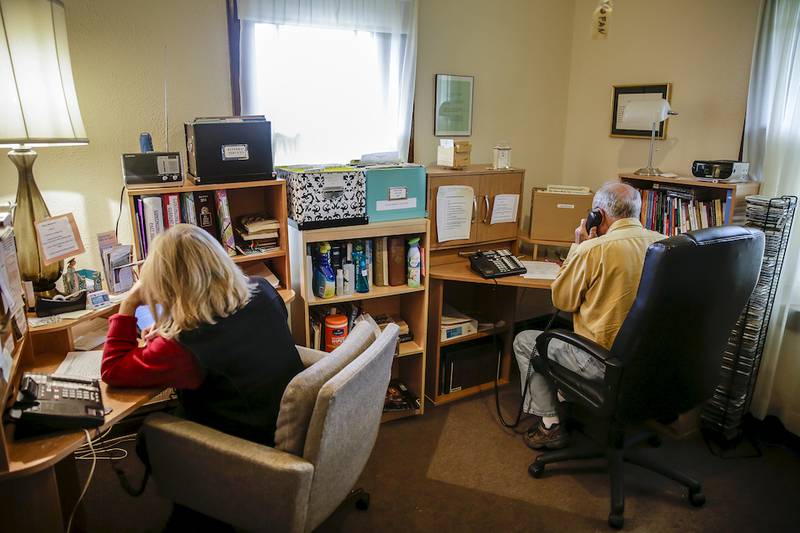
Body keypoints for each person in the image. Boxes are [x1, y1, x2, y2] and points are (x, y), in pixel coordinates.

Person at [102, 223, 303, 447]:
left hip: (247, 445)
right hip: (288, 421)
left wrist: (129, 303)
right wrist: (172, 325)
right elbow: (226, 326)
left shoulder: (183, 344)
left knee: (146, 438)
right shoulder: (263, 290)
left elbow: (113, 370)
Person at [514, 182, 663, 450]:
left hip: (601, 362)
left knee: (525, 340)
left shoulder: (595, 250)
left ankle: (550, 425)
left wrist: (578, 246)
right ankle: (570, 397)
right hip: (650, 361)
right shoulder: (664, 244)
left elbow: (562, 301)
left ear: (599, 215)